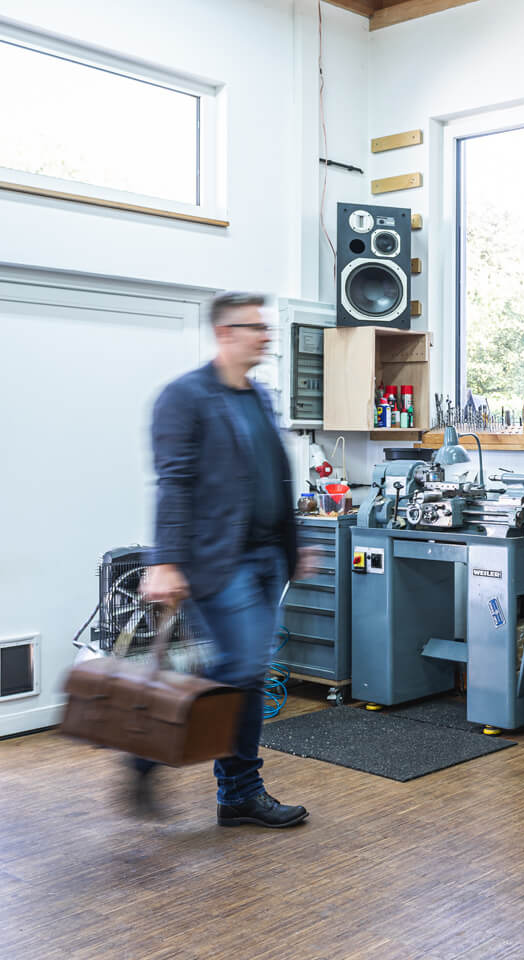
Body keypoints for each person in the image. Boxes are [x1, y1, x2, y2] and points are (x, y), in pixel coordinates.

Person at [134, 291, 318, 827]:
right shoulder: (184, 396)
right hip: (218, 560)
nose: (265, 336)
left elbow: (274, 478)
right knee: (241, 667)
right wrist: (166, 561)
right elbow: (174, 483)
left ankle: (237, 796)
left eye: (265, 327)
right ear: (224, 333)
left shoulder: (258, 396)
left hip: (266, 558)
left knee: (248, 674)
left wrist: (294, 545)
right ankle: (149, 751)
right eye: (254, 327)